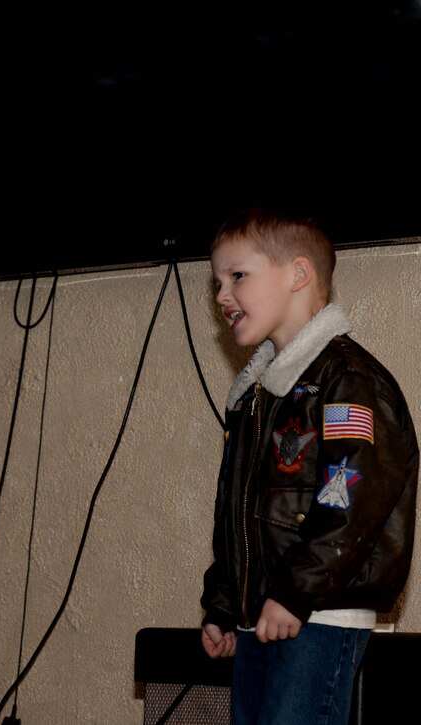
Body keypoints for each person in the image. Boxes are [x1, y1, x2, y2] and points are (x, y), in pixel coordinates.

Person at [200, 208, 418, 724]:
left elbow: (350, 498)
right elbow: (238, 512)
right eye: (216, 282)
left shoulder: (348, 381)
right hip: (266, 616)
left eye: (237, 276)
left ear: (298, 275)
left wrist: (295, 594)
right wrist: (226, 605)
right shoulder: (255, 399)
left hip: (317, 614)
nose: (221, 295)